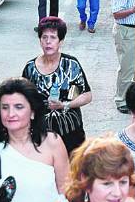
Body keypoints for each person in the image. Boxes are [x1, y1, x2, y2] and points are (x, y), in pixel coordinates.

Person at [22, 17, 92, 154]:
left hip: (71, 132)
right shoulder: (30, 68)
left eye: (53, 37)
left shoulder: (72, 64)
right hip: (41, 134)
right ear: (40, 40)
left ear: (61, 41)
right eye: (44, 37)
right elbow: (22, 100)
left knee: (73, 172)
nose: (48, 42)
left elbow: (87, 95)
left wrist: (65, 105)